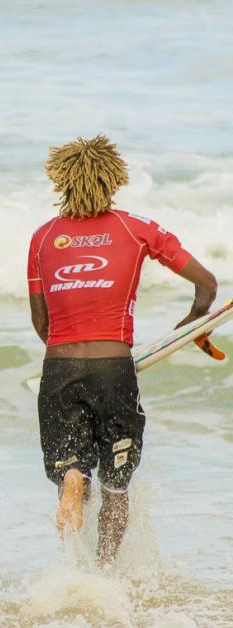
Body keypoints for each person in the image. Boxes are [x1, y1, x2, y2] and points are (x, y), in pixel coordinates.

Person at [27, 135, 217, 566]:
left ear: (60, 180)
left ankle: (73, 482)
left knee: (70, 465)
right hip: (114, 369)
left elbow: (42, 324)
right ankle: (105, 575)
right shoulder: (137, 227)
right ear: (114, 179)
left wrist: (69, 355)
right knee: (116, 486)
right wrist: (193, 323)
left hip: (58, 368)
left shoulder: (43, 238)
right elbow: (206, 284)